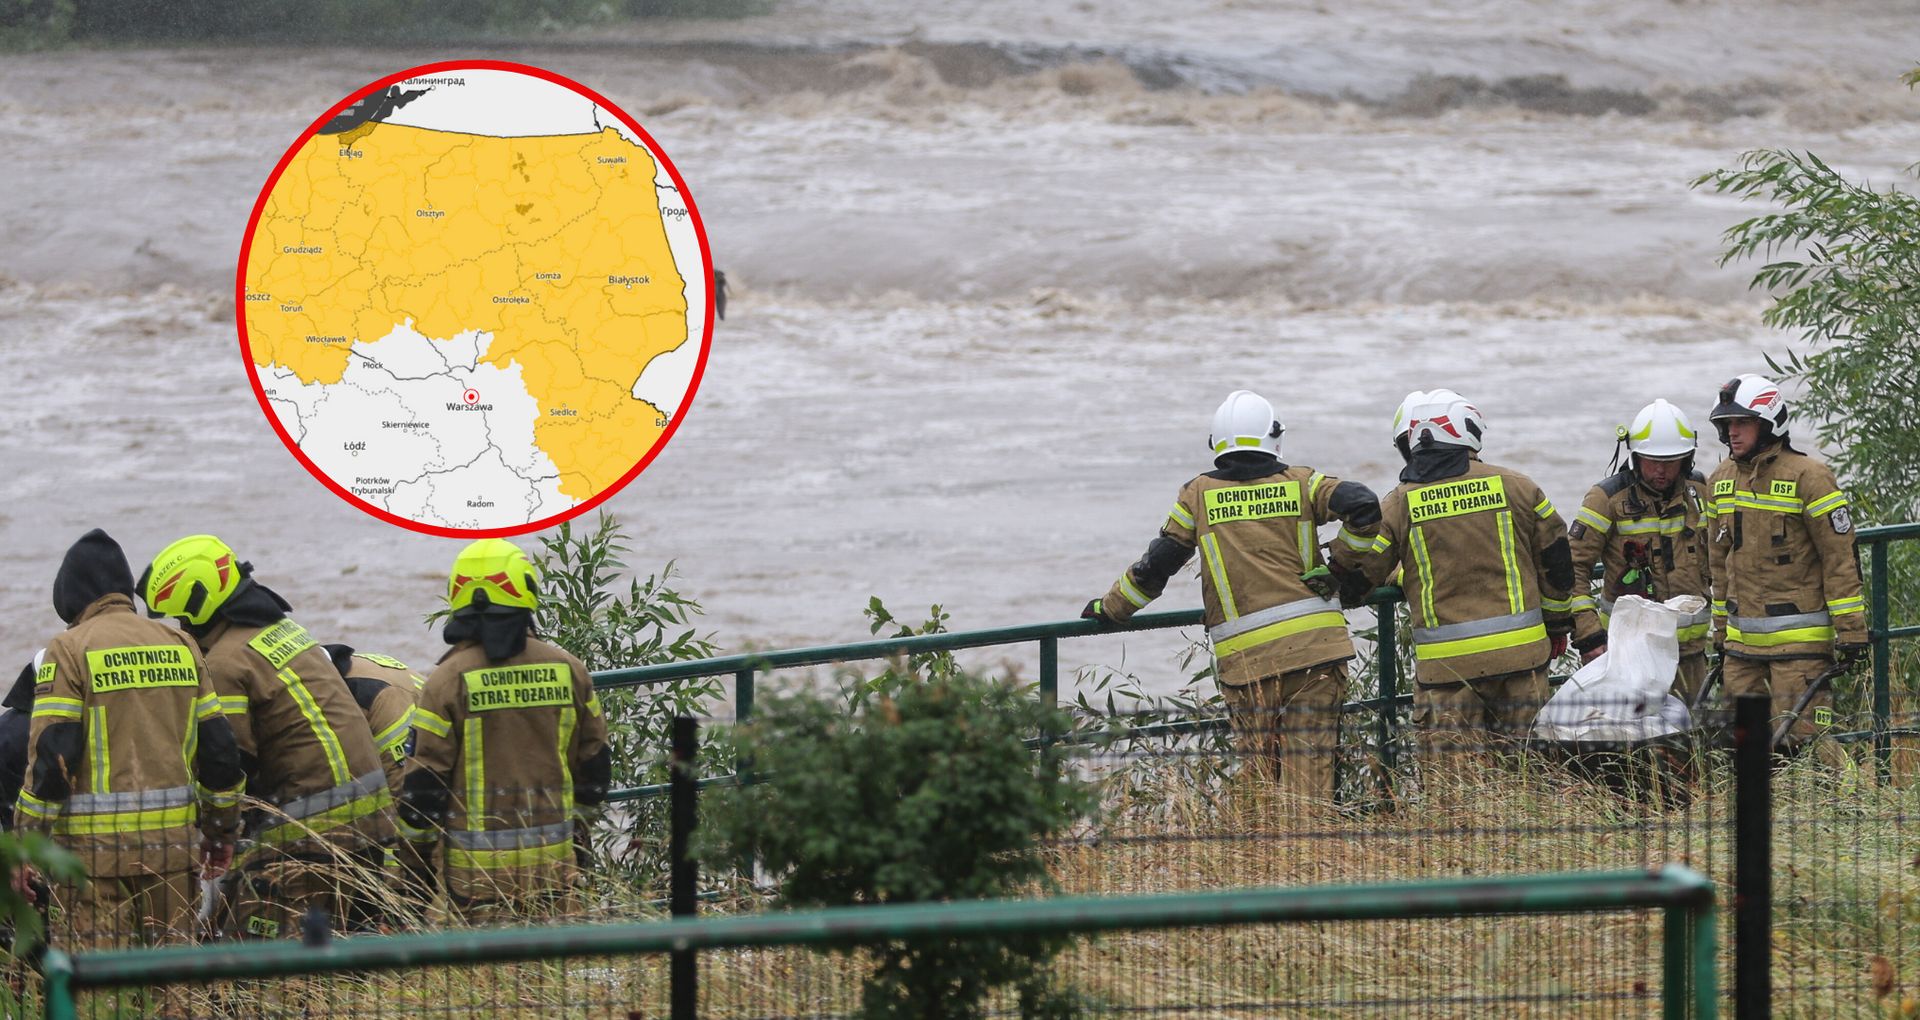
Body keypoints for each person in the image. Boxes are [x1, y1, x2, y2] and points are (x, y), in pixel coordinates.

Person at [1081, 390, 1380, 799]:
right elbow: (1364, 505)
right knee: (1309, 777)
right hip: (1316, 652)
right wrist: (1339, 569)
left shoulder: (1198, 494)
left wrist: (1110, 608)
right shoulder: (1304, 484)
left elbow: (1158, 564)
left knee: (1259, 778)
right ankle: (1309, 857)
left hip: (1246, 664)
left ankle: (1261, 857)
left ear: (1215, 444)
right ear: (1275, 437)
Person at [139, 534, 394, 940]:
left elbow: (231, 763)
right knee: (349, 949)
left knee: (245, 955)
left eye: (182, 620)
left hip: (311, 831)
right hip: (373, 821)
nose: (183, 630)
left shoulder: (225, 662)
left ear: (199, 607)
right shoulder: (285, 631)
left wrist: (216, 833)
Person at [16, 530, 243, 949]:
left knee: (99, 996)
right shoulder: (182, 644)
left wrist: (25, 843)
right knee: (175, 991)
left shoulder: (67, 649)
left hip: (91, 865)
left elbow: (53, 756)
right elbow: (220, 754)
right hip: (173, 859)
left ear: (70, 597)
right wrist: (220, 832)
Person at [397, 539, 611, 919]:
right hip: (554, 873)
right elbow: (594, 769)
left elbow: (422, 794)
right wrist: (577, 842)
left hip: (475, 885)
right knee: (551, 975)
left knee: (487, 979)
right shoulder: (569, 669)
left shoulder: (446, 681)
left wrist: (414, 883)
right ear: (526, 591)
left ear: (456, 596)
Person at [1360, 391, 1575, 752]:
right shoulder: (1519, 487)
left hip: (1446, 671)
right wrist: (1557, 625)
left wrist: (1401, 575)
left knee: (1455, 793)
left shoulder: (1399, 502)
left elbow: (1362, 573)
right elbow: (1557, 563)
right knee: (1527, 774)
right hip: (1521, 661)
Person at [1705, 374, 1865, 748]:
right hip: (1741, 649)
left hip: (1800, 650)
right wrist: (1719, 629)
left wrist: (1852, 631)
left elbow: (1839, 559)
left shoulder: (1810, 477)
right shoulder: (1719, 480)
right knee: (1745, 746)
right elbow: (1716, 564)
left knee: (1809, 743)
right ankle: (1761, 809)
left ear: (1769, 423)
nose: (1733, 433)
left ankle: (1848, 802)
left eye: (1742, 422)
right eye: (1728, 424)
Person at [1567, 399, 1715, 701]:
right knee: (1634, 741)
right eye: (1651, 461)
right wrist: (1589, 635)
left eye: (1671, 462)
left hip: (1691, 655)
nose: (1660, 471)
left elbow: (1726, 560)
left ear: (1687, 459)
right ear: (1635, 456)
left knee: (1693, 739)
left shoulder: (1700, 492)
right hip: (1628, 657)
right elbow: (1572, 569)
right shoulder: (1606, 498)